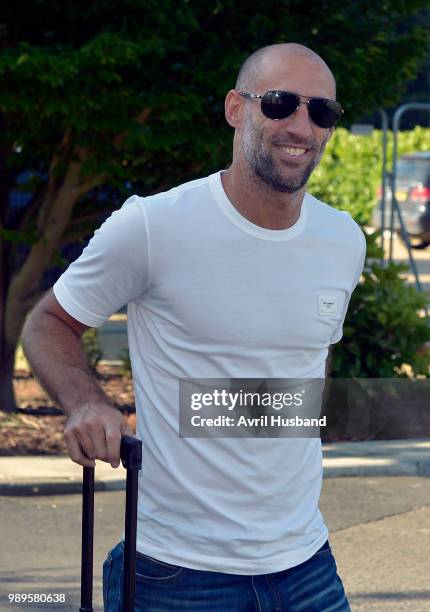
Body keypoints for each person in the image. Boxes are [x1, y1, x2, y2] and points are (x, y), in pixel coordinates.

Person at [22, 42, 365, 611]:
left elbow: (303, 369)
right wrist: (86, 402)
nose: (301, 125)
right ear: (237, 108)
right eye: (280, 103)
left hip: (307, 566)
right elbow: (49, 321)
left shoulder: (342, 240)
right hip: (178, 575)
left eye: (321, 111)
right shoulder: (154, 227)